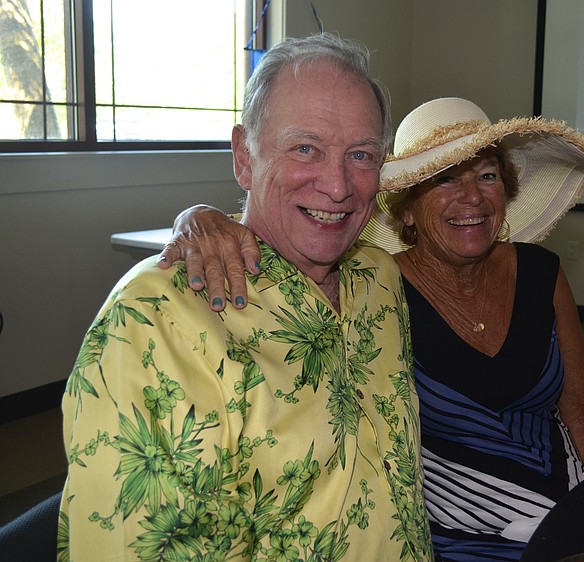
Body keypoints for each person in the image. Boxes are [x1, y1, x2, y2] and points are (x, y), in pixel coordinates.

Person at [159, 98, 584, 561]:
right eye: (445, 179)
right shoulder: (375, 286)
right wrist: (198, 216)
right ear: (404, 210)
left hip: (571, 503)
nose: (474, 197)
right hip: (458, 536)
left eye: (488, 175)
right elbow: (280, 249)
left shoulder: (541, 273)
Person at [60, 34, 433, 562]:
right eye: (305, 148)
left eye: (362, 155)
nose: (338, 185)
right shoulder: (155, 321)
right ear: (244, 156)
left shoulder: (378, 279)